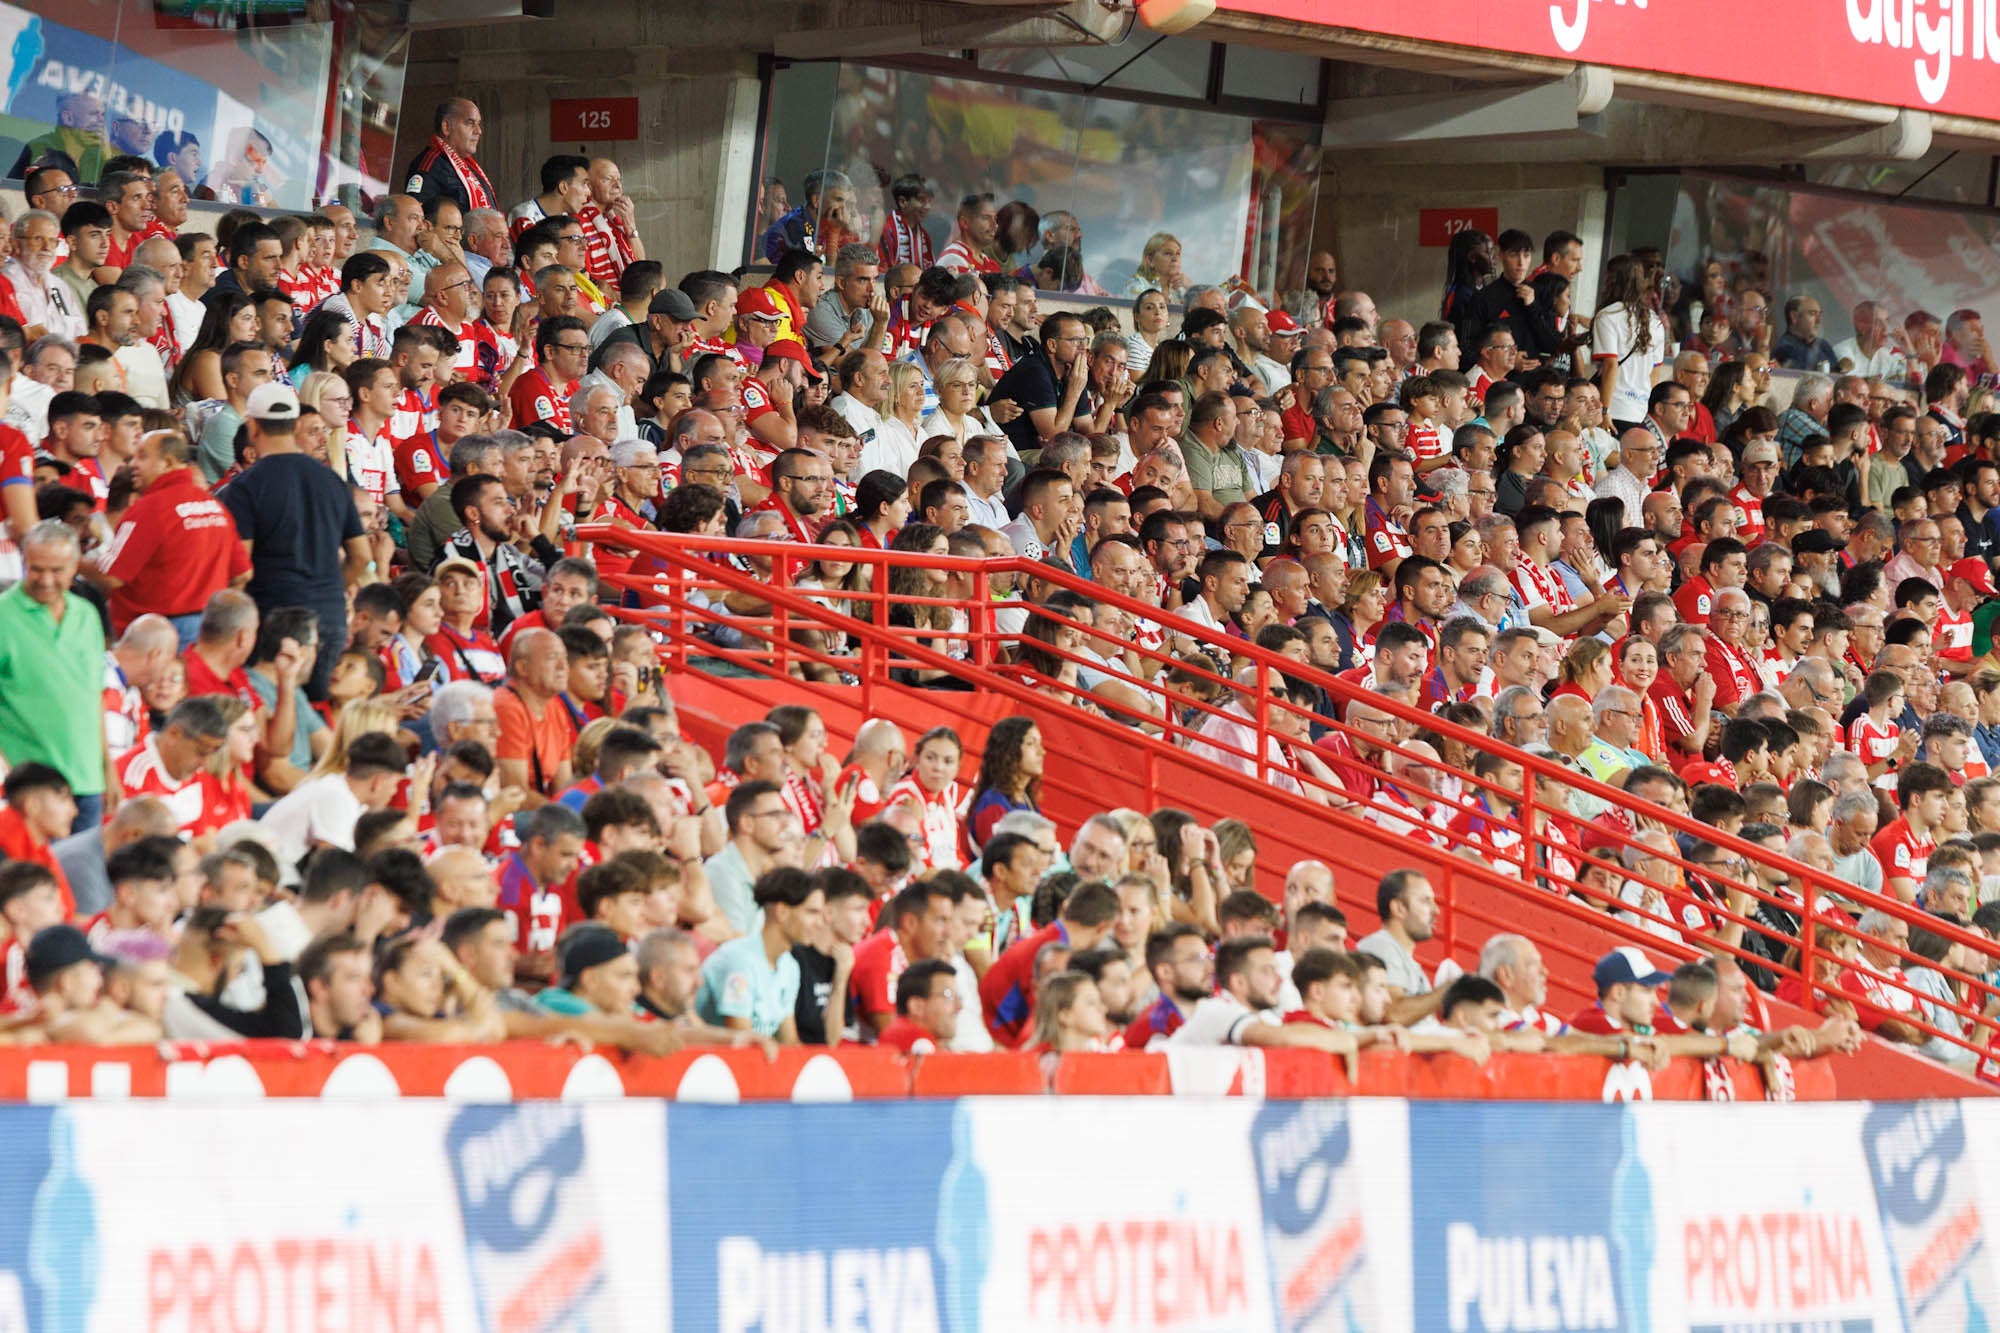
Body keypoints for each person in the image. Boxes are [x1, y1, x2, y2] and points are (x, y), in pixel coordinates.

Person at [0, 521, 107, 831]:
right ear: (23, 563)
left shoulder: (86, 615)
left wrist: (108, 771)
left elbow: (93, 696)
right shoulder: (4, 615)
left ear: (75, 566)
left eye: (57, 570)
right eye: (36, 569)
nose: (46, 580)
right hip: (32, 789)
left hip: (88, 782)